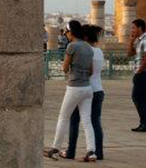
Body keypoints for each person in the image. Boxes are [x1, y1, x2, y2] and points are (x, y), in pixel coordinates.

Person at [44, 21, 98, 161]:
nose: (66, 35)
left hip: (74, 87)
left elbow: (64, 67)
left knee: (63, 118)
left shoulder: (71, 46)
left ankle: (55, 148)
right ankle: (91, 151)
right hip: (87, 88)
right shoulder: (88, 47)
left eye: (67, 32)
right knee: (86, 121)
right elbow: (91, 70)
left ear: (71, 32)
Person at [64, 25, 105, 160]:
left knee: (74, 121)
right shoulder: (99, 51)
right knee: (95, 122)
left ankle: (70, 151)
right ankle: (97, 152)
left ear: (85, 37)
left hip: (84, 87)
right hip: (98, 89)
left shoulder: (85, 51)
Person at [127, 18, 146, 132]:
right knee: (142, 98)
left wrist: (138, 72)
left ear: (140, 28)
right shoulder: (139, 40)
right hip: (140, 72)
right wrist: (131, 41)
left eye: (134, 27)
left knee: (137, 97)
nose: (132, 30)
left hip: (144, 72)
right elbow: (130, 54)